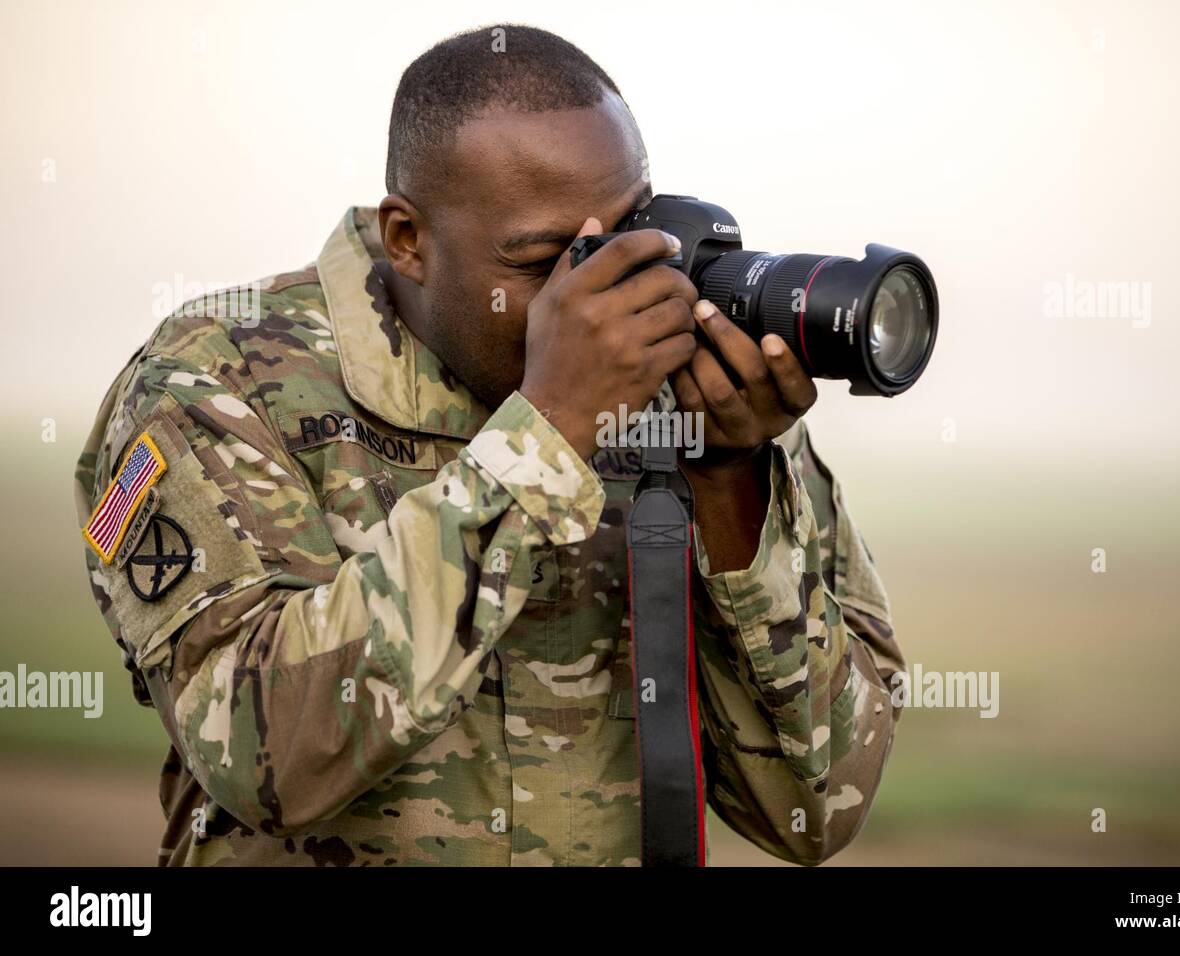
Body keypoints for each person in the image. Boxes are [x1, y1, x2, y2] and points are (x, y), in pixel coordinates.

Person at [73, 24, 904, 867]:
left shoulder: (676, 378)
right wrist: (546, 435)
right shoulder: (217, 377)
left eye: (629, 238)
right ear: (409, 239)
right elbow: (265, 756)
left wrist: (729, 484)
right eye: (548, 260)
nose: (600, 296)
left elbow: (817, 806)